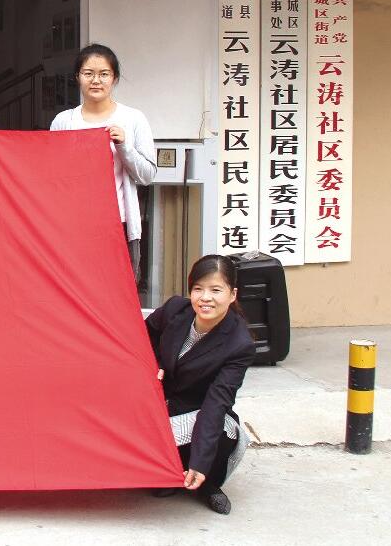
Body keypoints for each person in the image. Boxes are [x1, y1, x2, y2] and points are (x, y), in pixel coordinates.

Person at [145, 254, 255, 515]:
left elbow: (217, 402)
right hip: (158, 401)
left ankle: (207, 483)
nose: (205, 298)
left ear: (232, 294)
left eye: (216, 290)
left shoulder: (239, 344)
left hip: (198, 410)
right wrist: (155, 363)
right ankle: (171, 473)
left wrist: (201, 462)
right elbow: (144, 334)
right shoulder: (175, 310)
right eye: (198, 289)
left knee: (222, 434)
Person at [50, 44, 156, 279]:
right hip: (73, 226)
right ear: (77, 77)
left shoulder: (133, 118)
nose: (96, 80)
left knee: (119, 289)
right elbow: (52, 176)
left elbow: (147, 175)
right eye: (88, 73)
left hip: (119, 223)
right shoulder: (63, 121)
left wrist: (124, 146)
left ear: (114, 78)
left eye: (104, 74)